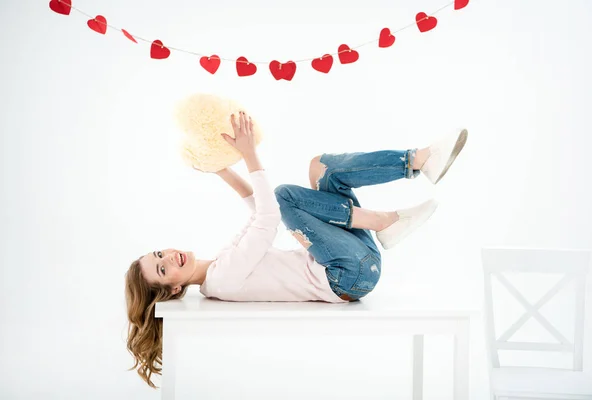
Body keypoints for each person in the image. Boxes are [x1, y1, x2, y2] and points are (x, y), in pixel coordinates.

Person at [124, 111, 467, 387]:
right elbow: (270, 215)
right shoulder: (222, 280)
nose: (168, 258)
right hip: (347, 275)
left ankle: (419, 160)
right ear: (174, 288)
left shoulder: (219, 266)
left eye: (159, 255)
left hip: (347, 258)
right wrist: (249, 155)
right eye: (163, 269)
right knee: (286, 195)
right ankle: (383, 221)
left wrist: (221, 169)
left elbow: (258, 210)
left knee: (322, 169)